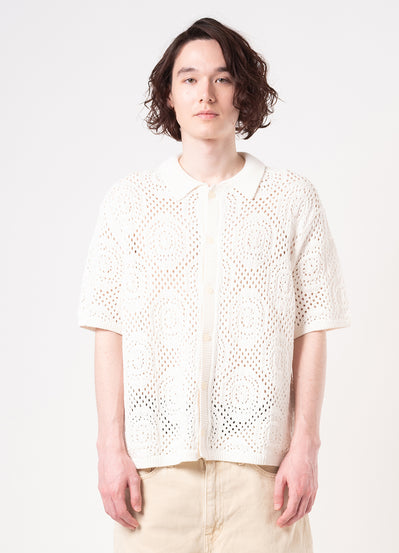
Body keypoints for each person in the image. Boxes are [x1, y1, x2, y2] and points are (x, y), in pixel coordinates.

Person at [78, 17, 351, 553]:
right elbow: (108, 328)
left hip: (263, 480)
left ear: (242, 92)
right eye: (189, 78)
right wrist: (110, 449)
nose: (206, 93)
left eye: (223, 78)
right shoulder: (129, 202)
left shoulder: (292, 199)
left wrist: (305, 446)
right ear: (169, 94)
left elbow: (313, 329)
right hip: (155, 481)